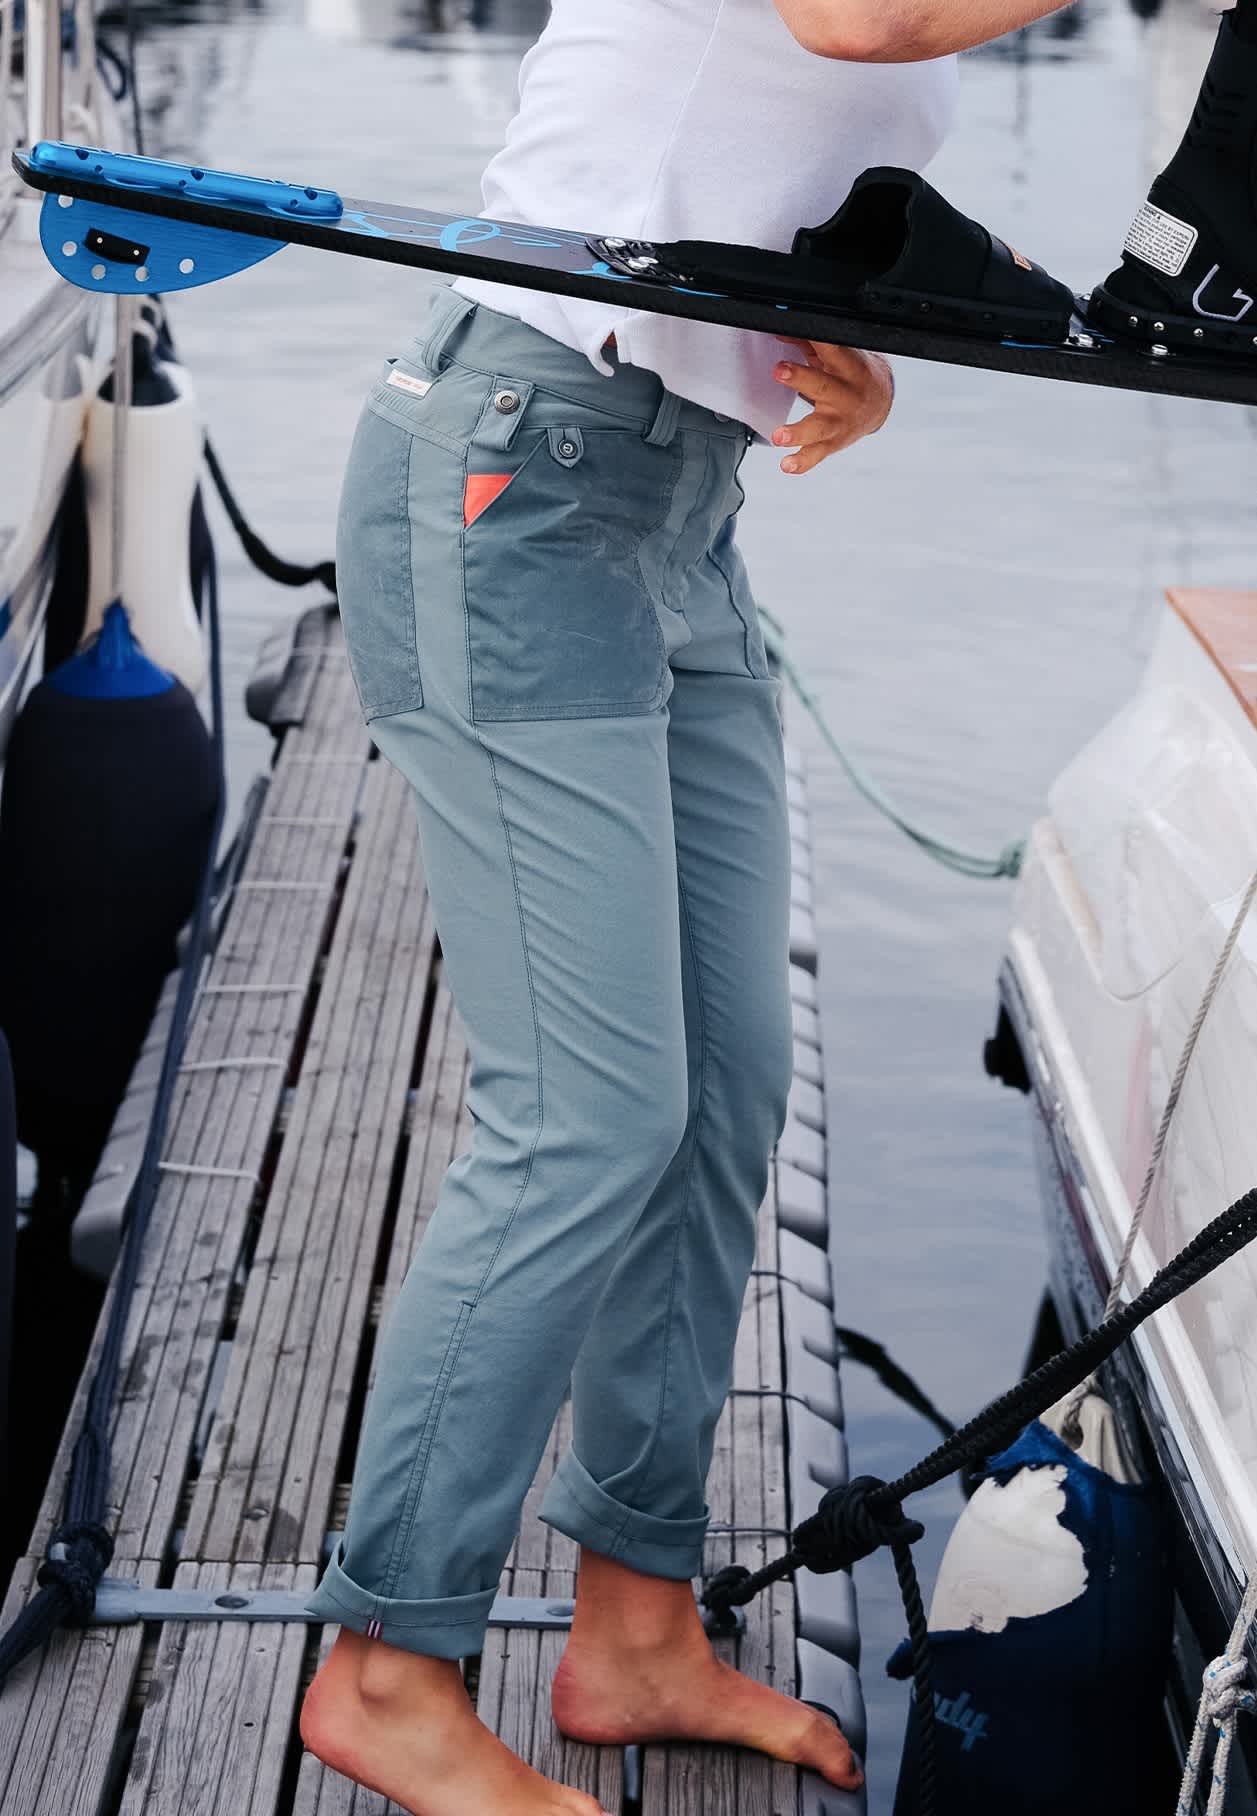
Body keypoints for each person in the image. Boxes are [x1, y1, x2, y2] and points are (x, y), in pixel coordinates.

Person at [298, 4, 1071, 1813]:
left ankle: (636, 1628)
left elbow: (757, 168)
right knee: (584, 1114)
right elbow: (859, 18)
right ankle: (386, 1663)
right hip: (513, 481)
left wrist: (842, 361)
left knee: (722, 1099)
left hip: (676, 511)